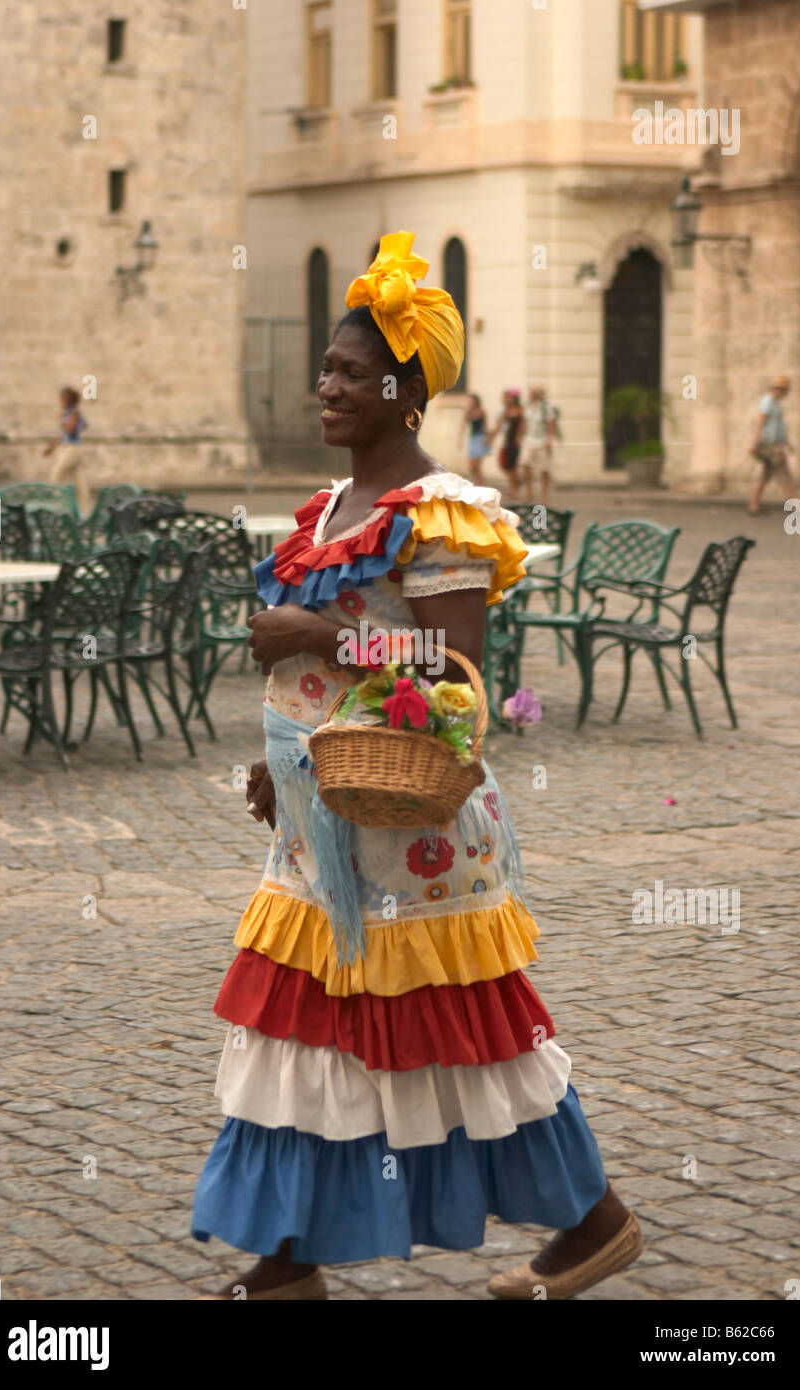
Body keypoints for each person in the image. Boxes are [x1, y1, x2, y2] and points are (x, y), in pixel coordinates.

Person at [191, 230, 641, 1301]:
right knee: (312, 1025)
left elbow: (450, 661)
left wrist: (317, 635)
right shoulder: (335, 510)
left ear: (406, 394)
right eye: (328, 368)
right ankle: (289, 1261)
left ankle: (595, 1224)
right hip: (328, 818)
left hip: (414, 835)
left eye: (352, 372)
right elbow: (336, 683)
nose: (327, 385)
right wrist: (282, 763)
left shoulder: (440, 511)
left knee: (468, 1038)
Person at [748, 374, 795, 516]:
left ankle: (753, 506)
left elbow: (779, 426)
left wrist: (787, 442)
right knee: (785, 476)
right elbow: (761, 423)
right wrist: (754, 443)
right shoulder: (768, 402)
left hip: (775, 444)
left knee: (764, 476)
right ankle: (796, 508)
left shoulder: (775, 403)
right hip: (771, 446)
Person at [41, 387, 90, 515]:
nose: (60, 400)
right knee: (80, 483)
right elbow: (64, 435)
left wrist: (63, 419)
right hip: (71, 447)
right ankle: (85, 512)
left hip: (72, 449)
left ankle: (57, 509)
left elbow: (70, 430)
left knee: (56, 476)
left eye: (63, 397)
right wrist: (51, 448)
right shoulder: (70, 412)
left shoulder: (73, 412)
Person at [523, 385, 557, 506]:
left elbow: (551, 424)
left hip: (542, 441)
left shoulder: (545, 407)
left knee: (544, 469)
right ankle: (529, 491)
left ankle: (544, 494)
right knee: (525, 465)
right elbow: (524, 422)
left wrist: (549, 439)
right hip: (529, 440)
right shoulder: (527, 406)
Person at [492, 388, 526, 499]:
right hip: (507, 440)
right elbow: (500, 423)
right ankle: (516, 482)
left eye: (512, 397)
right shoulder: (507, 410)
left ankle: (513, 490)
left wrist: (519, 438)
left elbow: (522, 424)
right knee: (506, 465)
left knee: (513, 466)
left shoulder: (520, 410)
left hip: (514, 441)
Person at [459, 392, 490, 484]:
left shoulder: (481, 411)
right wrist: (460, 440)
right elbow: (463, 425)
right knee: (471, 466)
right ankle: (479, 481)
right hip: (472, 439)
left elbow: (485, 426)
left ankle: (480, 482)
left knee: (477, 465)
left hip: (480, 437)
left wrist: (487, 438)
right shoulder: (468, 412)